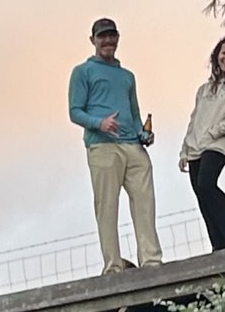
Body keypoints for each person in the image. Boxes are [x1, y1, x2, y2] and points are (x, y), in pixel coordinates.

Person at [68, 18, 162, 273]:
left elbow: (134, 113)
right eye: (102, 36)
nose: (108, 41)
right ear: (93, 40)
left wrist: (143, 134)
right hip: (102, 146)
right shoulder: (82, 72)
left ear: (118, 38)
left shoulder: (127, 76)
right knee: (107, 206)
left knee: (145, 202)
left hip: (133, 146)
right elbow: (75, 111)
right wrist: (100, 123)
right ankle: (113, 266)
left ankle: (151, 261)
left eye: (112, 36)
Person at [179, 37, 225, 251]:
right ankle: (219, 246)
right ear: (217, 55)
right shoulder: (204, 89)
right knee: (202, 196)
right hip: (195, 148)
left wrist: (215, 131)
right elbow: (194, 120)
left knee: (206, 185)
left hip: (217, 145)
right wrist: (185, 150)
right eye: (224, 53)